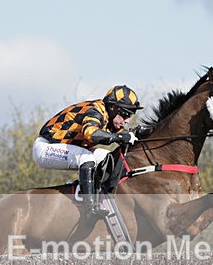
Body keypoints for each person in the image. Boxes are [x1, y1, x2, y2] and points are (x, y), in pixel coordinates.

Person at [33, 85, 144, 221]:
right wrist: (120, 137)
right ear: (113, 107)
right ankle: (90, 209)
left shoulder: (110, 117)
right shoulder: (95, 111)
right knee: (86, 158)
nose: (127, 120)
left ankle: (84, 188)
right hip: (46, 147)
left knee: (107, 158)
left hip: (68, 146)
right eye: (125, 114)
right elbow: (91, 133)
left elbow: (124, 135)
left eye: (130, 115)